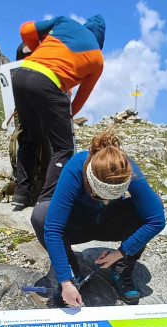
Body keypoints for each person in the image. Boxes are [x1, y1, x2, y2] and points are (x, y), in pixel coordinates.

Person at [31, 127, 166, 306]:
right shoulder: (76, 167)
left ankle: (121, 270)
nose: (107, 202)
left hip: (111, 223)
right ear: (89, 180)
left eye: (115, 196)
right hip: (80, 224)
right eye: (100, 196)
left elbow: (156, 220)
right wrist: (65, 280)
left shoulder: (128, 169)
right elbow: (54, 228)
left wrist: (121, 253)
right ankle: (73, 273)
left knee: (152, 204)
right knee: (41, 215)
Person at [12, 15, 106, 209]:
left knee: (28, 139)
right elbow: (78, 101)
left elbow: (25, 30)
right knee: (63, 148)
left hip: (21, 74)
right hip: (49, 84)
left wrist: (38, 50)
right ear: (100, 40)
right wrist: (61, 117)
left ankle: (21, 193)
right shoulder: (97, 59)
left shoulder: (65, 22)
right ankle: (47, 199)